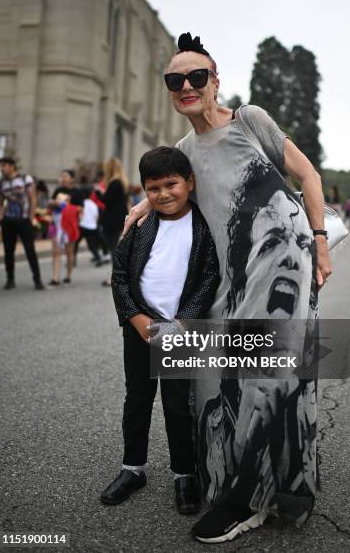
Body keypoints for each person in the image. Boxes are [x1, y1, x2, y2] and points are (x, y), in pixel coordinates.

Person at [122, 32, 331, 543]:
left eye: (198, 76)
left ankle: (251, 499)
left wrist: (321, 243)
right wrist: (141, 207)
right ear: (171, 90)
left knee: (264, 373)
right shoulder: (182, 150)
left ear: (215, 81)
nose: (187, 86)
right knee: (219, 378)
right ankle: (252, 476)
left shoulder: (250, 120)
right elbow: (170, 186)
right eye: (176, 80)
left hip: (283, 258)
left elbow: (308, 176)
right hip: (230, 273)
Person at [100, 146, 219, 515]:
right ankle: (132, 469)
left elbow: (209, 277)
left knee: (177, 404)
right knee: (137, 398)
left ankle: (185, 473)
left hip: (179, 329)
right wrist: (136, 319)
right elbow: (119, 275)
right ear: (144, 191)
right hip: (140, 327)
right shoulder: (140, 225)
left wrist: (182, 324)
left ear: (190, 183)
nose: (164, 194)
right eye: (154, 188)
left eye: (172, 184)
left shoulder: (203, 226)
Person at [0, 156, 44, 290]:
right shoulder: (2, 182)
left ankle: (37, 279)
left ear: (12, 166)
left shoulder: (25, 179)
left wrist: (30, 217)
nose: (2, 168)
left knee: (30, 250)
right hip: (8, 221)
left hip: (24, 220)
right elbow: (0, 200)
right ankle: (10, 279)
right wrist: (0, 215)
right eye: (1, 166)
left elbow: (33, 199)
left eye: (4, 165)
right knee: (8, 251)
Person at [95, 158, 129, 286]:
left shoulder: (114, 182)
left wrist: (98, 192)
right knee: (116, 249)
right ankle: (118, 276)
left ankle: (115, 278)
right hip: (119, 218)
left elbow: (106, 200)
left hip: (112, 220)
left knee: (114, 250)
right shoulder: (122, 182)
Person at [48, 170, 83, 286]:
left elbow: (80, 209)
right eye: (61, 176)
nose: (63, 178)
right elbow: (50, 204)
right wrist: (55, 202)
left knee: (69, 251)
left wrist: (67, 206)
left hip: (69, 224)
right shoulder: (58, 190)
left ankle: (68, 275)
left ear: (72, 179)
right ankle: (55, 278)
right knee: (56, 251)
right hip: (56, 223)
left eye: (66, 176)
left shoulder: (77, 192)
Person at [77, 187, 103, 264]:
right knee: (91, 245)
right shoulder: (94, 204)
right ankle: (98, 257)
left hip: (82, 226)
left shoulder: (82, 204)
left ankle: (72, 260)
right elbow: (96, 216)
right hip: (92, 227)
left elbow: (80, 215)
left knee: (75, 243)